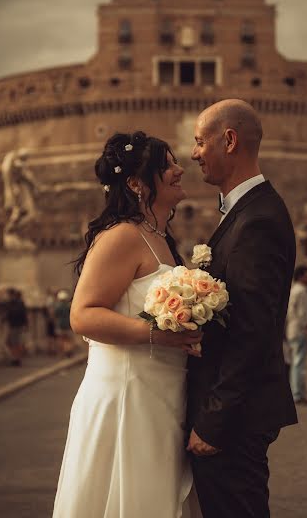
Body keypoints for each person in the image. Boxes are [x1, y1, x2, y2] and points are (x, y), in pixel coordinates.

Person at [52, 131, 203, 518]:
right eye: (167, 165)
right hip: (127, 397)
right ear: (136, 183)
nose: (179, 169)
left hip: (163, 397)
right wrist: (158, 334)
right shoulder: (121, 236)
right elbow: (82, 314)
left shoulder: (161, 239)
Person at [187, 99, 297, 518]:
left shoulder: (258, 221)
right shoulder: (247, 212)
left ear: (229, 140)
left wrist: (214, 419)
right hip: (236, 413)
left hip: (234, 420)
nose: (194, 154)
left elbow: (253, 331)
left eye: (200, 142)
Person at [286, 265, 307, 405]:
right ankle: (298, 394)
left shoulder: (293, 290)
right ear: (302, 276)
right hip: (300, 331)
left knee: (296, 363)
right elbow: (304, 315)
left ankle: (296, 392)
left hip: (292, 329)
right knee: (300, 364)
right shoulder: (302, 291)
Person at [3, 288, 28, 366]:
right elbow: (24, 315)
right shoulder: (18, 303)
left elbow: (10, 313)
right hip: (17, 325)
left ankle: (16, 359)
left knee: (14, 343)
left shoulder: (14, 303)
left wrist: (3, 320)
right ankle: (16, 358)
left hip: (15, 325)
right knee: (12, 342)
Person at [53, 289, 74, 357]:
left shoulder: (58, 306)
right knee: (68, 339)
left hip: (60, 324)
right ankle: (68, 350)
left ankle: (63, 352)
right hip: (68, 324)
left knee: (61, 339)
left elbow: (55, 315)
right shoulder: (69, 306)